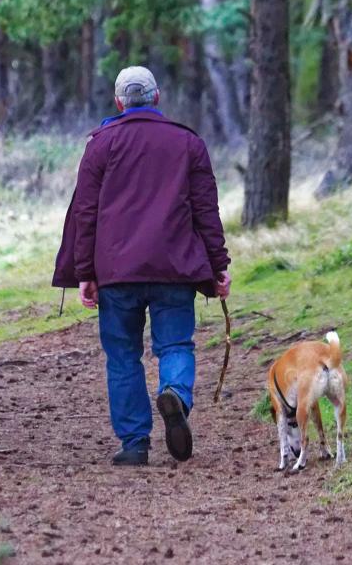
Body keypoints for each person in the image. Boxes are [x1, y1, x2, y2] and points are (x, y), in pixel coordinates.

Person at [53, 66, 231, 466]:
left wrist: (85, 272)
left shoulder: (100, 145)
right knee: (175, 345)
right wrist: (218, 264)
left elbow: (86, 212)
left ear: (118, 102)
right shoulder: (187, 143)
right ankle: (176, 396)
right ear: (157, 97)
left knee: (122, 356)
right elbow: (206, 210)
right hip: (174, 268)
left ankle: (135, 443)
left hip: (117, 272)